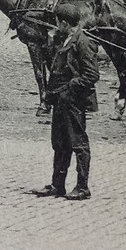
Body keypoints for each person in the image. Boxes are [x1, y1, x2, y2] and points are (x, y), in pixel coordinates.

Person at [32, 24, 99, 200]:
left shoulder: (83, 42)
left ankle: (82, 187)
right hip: (60, 101)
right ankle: (57, 184)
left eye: (59, 22)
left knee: (78, 143)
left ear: (67, 23)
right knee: (59, 143)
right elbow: (54, 66)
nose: (56, 26)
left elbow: (91, 74)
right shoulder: (63, 40)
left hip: (73, 101)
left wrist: (70, 87)